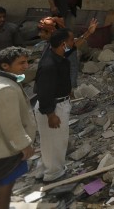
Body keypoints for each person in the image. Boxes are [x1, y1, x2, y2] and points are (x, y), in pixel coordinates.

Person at [0, 47, 36, 209]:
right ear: (5, 66)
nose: (26, 67)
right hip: (4, 147)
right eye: (21, 63)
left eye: (26, 62)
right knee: (6, 184)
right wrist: (24, 144)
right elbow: (10, 123)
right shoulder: (6, 89)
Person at [32, 29, 73, 183]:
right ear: (63, 44)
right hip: (53, 108)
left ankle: (44, 169)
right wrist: (50, 114)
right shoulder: (49, 65)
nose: (72, 44)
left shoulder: (56, 54)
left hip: (56, 104)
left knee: (49, 142)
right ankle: (53, 174)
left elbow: (71, 51)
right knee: (56, 142)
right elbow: (44, 91)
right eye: (70, 41)